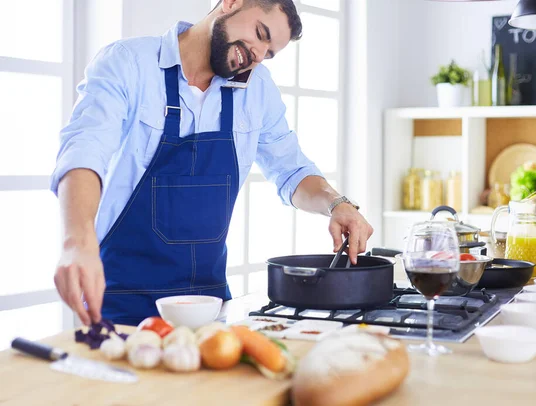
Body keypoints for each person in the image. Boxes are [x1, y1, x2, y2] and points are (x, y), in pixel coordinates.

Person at [51, 0, 373, 327]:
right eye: (259, 34)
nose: (259, 55)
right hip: (122, 301)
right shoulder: (129, 63)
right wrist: (77, 242)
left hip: (209, 305)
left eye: (269, 51)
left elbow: (292, 170)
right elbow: (84, 149)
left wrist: (337, 204)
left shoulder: (257, 89)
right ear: (231, 3)